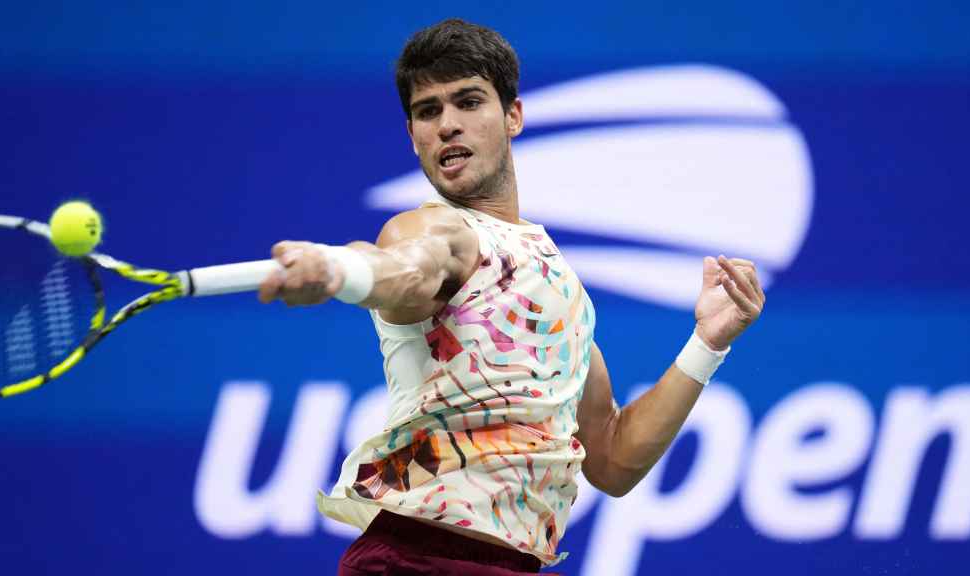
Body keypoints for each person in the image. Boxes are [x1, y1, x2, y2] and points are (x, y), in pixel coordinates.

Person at [258, 18, 764, 576]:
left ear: (513, 116)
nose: (448, 124)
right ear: (413, 136)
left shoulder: (560, 287)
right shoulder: (431, 230)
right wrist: (340, 269)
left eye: (468, 102)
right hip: (416, 560)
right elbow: (404, 270)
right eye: (429, 111)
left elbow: (614, 459)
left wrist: (706, 344)